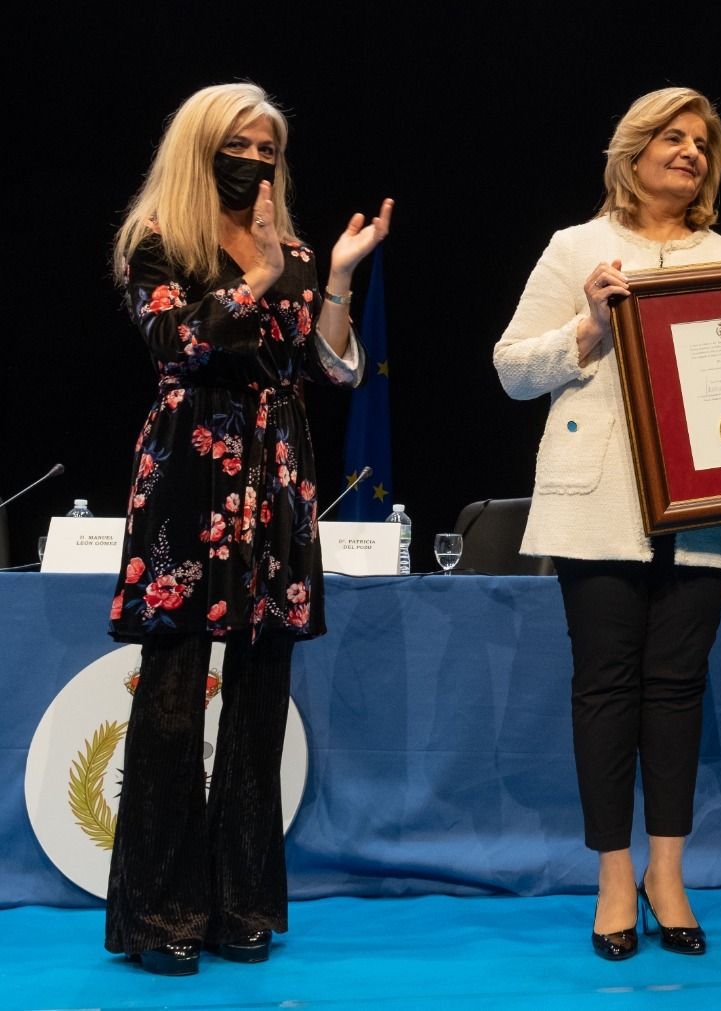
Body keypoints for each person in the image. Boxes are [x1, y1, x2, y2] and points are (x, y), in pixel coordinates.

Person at [493, 86, 721, 961]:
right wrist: (587, 326)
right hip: (601, 504)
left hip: (703, 514)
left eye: (702, 142)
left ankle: (669, 870)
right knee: (606, 688)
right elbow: (511, 369)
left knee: (679, 690)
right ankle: (614, 874)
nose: (690, 151)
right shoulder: (576, 247)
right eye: (672, 135)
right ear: (632, 150)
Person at [105, 83, 392, 974]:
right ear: (201, 146)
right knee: (173, 690)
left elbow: (333, 369)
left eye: (269, 150)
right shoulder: (159, 240)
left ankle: (240, 902)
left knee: (262, 692)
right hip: (193, 470)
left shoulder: (297, 249)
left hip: (276, 477)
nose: (257, 162)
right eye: (241, 145)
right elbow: (178, 342)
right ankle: (159, 913)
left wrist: (335, 277)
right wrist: (259, 276)